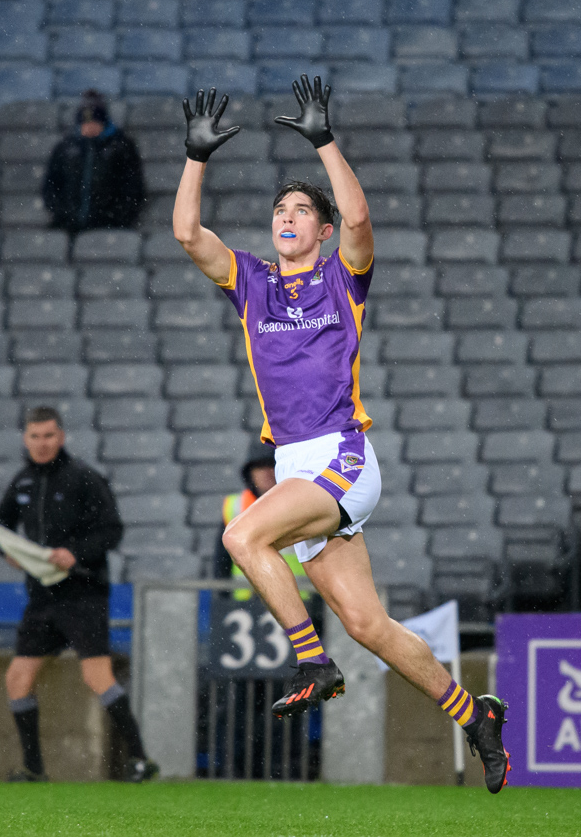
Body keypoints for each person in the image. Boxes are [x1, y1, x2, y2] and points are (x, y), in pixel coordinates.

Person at [172, 75, 510, 794]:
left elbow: (359, 224)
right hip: (297, 467)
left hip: (342, 458)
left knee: (242, 538)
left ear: (320, 231)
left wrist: (324, 141)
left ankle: (309, 660)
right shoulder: (252, 282)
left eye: (302, 210)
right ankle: (474, 714)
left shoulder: (340, 280)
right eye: (280, 208)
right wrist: (194, 158)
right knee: (368, 623)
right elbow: (186, 234)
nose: (287, 216)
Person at [0, 406, 158, 784]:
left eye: (48, 435)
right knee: (17, 679)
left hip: (84, 593)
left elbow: (112, 531)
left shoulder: (84, 477)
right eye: (35, 436)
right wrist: (8, 552)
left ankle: (139, 759)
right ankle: (34, 769)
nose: (42, 443)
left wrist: (75, 553)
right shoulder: (22, 482)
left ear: (61, 436)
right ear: (25, 439)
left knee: (96, 676)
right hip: (41, 597)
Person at [42, 90, 145, 234]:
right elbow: (51, 186)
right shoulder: (66, 148)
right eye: (86, 123)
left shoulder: (121, 147)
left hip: (109, 226)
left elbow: (133, 187)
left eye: (94, 122)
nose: (90, 127)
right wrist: (64, 214)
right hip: (68, 226)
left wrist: (116, 218)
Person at [214, 441, 307, 599]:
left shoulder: (303, 505)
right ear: (250, 473)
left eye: (271, 465)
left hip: (300, 600)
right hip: (244, 602)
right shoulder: (234, 507)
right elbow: (221, 560)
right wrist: (223, 597)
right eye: (259, 466)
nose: (266, 472)